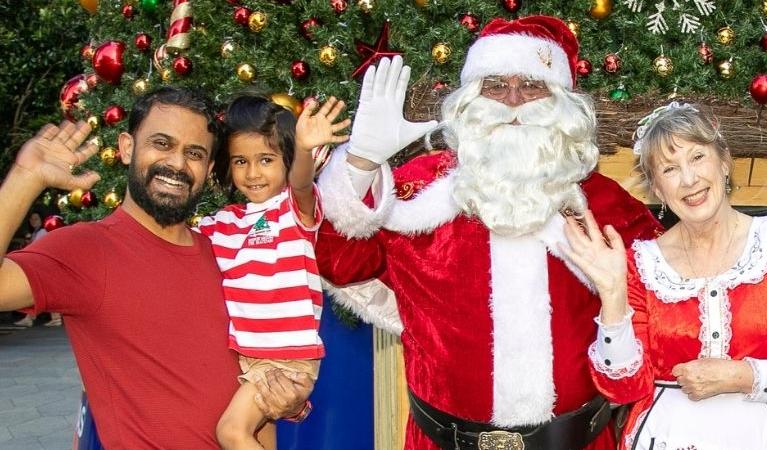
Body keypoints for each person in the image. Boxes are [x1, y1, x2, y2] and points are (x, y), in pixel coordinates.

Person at [314, 16, 661, 450]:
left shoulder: (605, 204)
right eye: (495, 85)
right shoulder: (416, 189)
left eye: (532, 85)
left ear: (561, 102)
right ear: (469, 99)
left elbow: (664, 306)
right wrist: (362, 163)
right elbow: (341, 263)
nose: (512, 101)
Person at [0, 87, 313, 448]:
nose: (177, 164)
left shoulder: (228, 251)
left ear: (209, 168)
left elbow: (255, 364)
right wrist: (25, 179)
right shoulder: (87, 249)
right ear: (127, 147)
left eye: (194, 153)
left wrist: (291, 403)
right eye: (162, 144)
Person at [561, 102, 767, 449]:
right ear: (657, 190)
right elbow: (624, 388)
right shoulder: (642, 264)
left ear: (724, 162)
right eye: (669, 169)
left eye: (697, 157)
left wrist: (742, 376)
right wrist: (612, 294)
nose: (689, 179)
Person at [199, 95, 350, 449]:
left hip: (285, 357)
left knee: (231, 433)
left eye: (266, 160)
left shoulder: (291, 211)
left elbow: (300, 182)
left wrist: (302, 148)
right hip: (248, 354)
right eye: (240, 161)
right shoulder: (223, 224)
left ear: (284, 159)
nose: (253, 173)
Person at [13, 211, 62, 327]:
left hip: (44, 267)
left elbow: (38, 248)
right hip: (43, 266)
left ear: (41, 220)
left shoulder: (42, 231)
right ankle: (38, 317)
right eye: (31, 219)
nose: (33, 221)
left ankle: (41, 317)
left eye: (36, 219)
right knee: (44, 293)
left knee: (42, 292)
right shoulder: (37, 232)